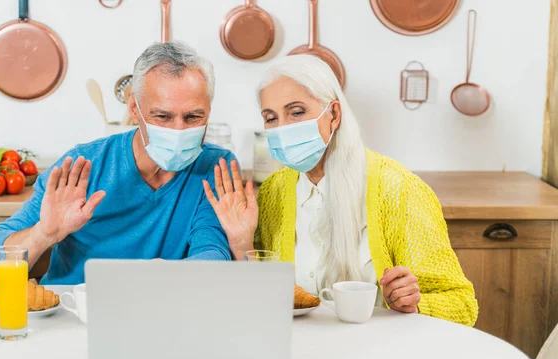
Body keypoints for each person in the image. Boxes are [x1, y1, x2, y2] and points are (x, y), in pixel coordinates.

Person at [203, 55, 478, 326]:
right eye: (271, 118)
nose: (282, 128)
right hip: (297, 351)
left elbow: (461, 304)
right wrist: (242, 243)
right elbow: (262, 297)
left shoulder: (399, 189)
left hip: (378, 353)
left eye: (297, 112)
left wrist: (414, 303)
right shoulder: (275, 191)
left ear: (333, 114)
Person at [0, 41, 235, 284]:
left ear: (208, 111)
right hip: (72, 314)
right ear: (135, 110)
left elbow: (212, 251)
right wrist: (45, 233)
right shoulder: (82, 167)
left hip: (160, 309)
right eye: (162, 116)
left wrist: (153, 280)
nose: (179, 129)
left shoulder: (216, 167)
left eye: (193, 116)